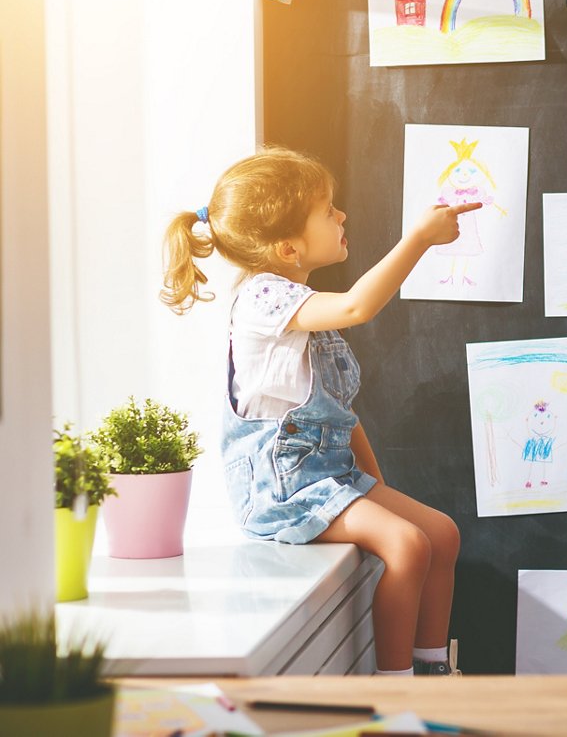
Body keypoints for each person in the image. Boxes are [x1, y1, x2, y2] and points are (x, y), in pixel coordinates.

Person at [160, 147, 480, 676]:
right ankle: (398, 684)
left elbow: (338, 416)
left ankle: (433, 668)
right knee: (407, 544)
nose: (343, 216)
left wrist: (377, 488)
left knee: (440, 533)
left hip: (330, 476)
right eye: (328, 210)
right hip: (281, 489)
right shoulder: (263, 299)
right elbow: (359, 305)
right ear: (288, 246)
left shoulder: (300, 303)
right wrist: (419, 238)